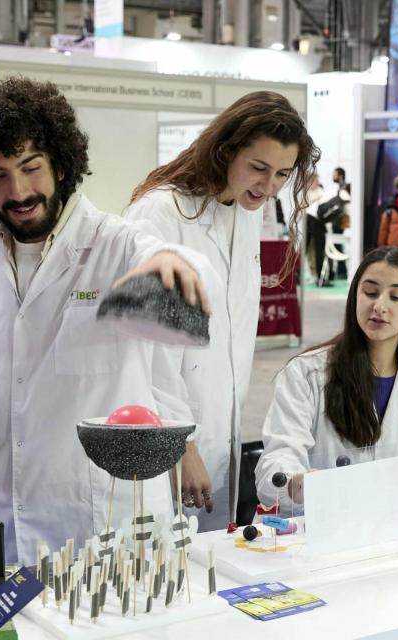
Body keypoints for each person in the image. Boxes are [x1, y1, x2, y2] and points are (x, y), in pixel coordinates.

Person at [0, 78, 215, 564]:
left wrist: (173, 264)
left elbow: (176, 262)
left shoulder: (117, 244)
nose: (18, 191)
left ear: (61, 164)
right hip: (2, 504)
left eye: (31, 168)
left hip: (97, 516)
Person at [126, 90, 320, 530]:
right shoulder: (161, 213)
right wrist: (180, 443)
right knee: (161, 553)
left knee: (208, 555)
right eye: (259, 167)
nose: (269, 186)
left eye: (282, 174)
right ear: (225, 150)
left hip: (220, 430)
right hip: (168, 436)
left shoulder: (245, 212)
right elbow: (146, 348)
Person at [255, 247, 398, 508]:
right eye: (370, 292)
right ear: (355, 295)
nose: (379, 306)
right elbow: (277, 461)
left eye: (396, 296)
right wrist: (297, 484)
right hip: (321, 522)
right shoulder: (307, 373)